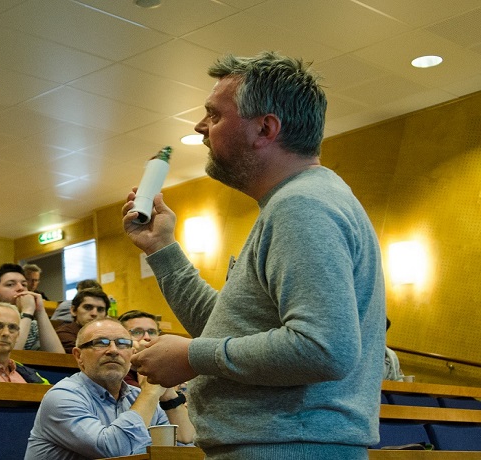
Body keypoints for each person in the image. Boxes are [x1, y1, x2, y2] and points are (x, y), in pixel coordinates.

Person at [122, 51, 386, 458]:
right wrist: (162, 249)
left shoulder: (302, 206)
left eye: (214, 115)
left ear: (265, 128)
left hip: (288, 447)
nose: (200, 127)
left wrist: (192, 356)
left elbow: (324, 349)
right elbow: (229, 331)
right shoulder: (300, 200)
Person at [24, 318, 194, 459]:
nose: (113, 350)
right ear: (78, 356)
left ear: (132, 354)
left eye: (122, 344)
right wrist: (150, 392)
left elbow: (186, 448)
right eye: (100, 343)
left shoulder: (137, 397)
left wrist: (169, 396)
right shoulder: (62, 396)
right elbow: (114, 450)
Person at [55, 288, 109, 353]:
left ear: (106, 315)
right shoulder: (64, 334)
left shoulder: (111, 335)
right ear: (73, 310)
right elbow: (85, 355)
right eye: (88, 307)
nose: (94, 313)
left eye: (100, 310)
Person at [118, 310, 161, 386]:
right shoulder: (117, 373)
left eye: (152, 332)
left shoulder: (166, 366)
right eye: (137, 332)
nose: (147, 337)